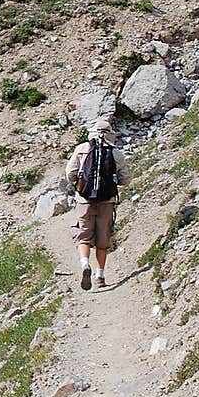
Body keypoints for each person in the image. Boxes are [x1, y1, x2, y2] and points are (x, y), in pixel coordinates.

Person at [65, 117, 131, 290]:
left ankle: (85, 263)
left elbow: (70, 172)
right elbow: (126, 179)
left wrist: (78, 184)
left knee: (83, 235)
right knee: (103, 239)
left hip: (84, 200)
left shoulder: (81, 149)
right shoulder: (115, 153)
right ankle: (100, 275)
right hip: (107, 201)